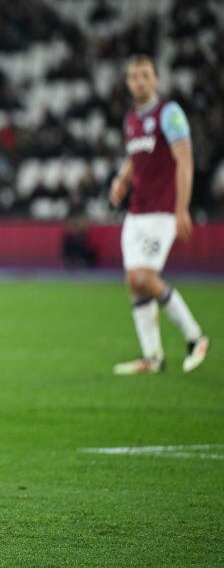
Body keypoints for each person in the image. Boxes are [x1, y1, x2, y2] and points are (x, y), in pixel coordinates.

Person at [110, 55, 209, 375]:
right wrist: (122, 179)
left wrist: (182, 208)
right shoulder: (130, 120)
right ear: (127, 83)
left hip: (163, 212)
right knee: (134, 282)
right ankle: (152, 357)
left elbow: (185, 160)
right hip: (137, 212)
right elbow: (134, 155)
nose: (139, 81)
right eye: (133, 76)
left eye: (145, 75)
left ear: (156, 79)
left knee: (144, 277)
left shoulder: (170, 114)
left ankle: (195, 337)